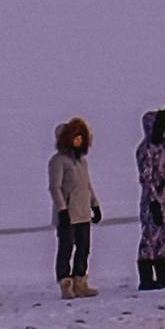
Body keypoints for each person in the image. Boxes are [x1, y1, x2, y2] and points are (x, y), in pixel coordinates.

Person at [44, 117, 100, 297]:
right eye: (75, 137)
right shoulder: (58, 161)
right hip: (68, 214)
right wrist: (62, 209)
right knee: (66, 248)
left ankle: (80, 281)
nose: (78, 140)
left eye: (80, 137)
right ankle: (65, 283)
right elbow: (55, 187)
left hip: (83, 212)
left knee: (84, 248)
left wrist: (95, 204)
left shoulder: (82, 161)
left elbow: (87, 185)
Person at [132, 106, 165, 290]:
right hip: (152, 201)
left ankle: (162, 274)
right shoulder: (145, 150)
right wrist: (153, 201)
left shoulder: (163, 149)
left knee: (162, 236)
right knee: (149, 237)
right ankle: (146, 276)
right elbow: (146, 179)